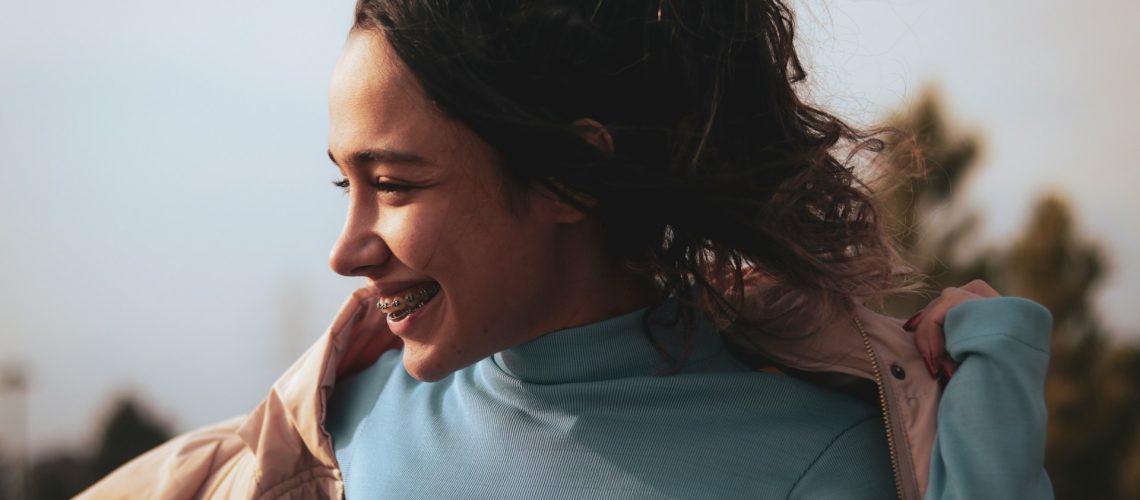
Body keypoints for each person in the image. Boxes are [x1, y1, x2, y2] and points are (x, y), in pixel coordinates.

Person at [79, 1, 1052, 498]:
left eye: (398, 183)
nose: (346, 249)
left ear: (570, 178)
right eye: (347, 182)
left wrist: (990, 427)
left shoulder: (825, 459)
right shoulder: (321, 441)